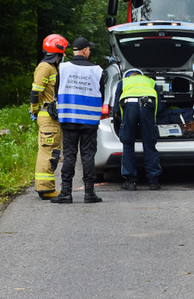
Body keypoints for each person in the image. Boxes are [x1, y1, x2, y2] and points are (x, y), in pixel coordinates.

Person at [51, 37, 105, 204]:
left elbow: (56, 91)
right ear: (85, 50)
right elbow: (101, 94)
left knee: (69, 156)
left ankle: (66, 192)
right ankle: (89, 193)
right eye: (89, 49)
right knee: (88, 156)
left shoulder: (63, 68)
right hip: (89, 120)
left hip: (69, 118)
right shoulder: (97, 70)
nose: (90, 52)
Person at [30, 34, 68, 200]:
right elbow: (35, 92)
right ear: (58, 51)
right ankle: (46, 190)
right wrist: (34, 109)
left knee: (51, 152)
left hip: (52, 117)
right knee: (49, 153)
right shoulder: (45, 67)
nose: (65, 55)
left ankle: (45, 188)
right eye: (64, 51)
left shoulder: (53, 68)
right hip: (48, 117)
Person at [114, 69, 162, 190]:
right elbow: (159, 105)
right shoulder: (150, 82)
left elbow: (116, 107)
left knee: (128, 144)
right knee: (149, 144)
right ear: (141, 75)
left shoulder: (124, 82)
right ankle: (154, 181)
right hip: (148, 106)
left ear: (129, 75)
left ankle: (131, 182)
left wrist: (123, 122)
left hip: (130, 107)